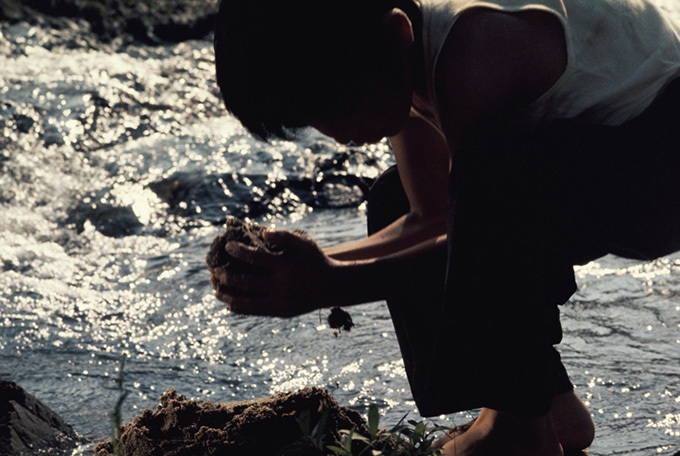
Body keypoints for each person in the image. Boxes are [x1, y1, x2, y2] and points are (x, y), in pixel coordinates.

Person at [209, 0, 680, 453]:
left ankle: (516, 430)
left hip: (662, 164)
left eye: (342, 107)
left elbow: (476, 240)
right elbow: (429, 217)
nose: (341, 136)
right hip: (616, 164)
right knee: (395, 199)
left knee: (488, 184)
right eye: (319, 121)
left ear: (398, 33)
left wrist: (329, 283)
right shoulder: (400, 60)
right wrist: (313, 266)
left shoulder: (473, 52)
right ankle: (552, 409)